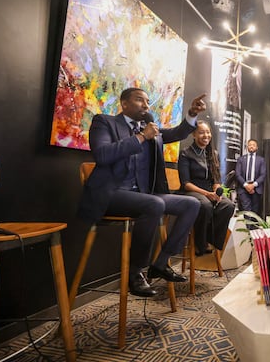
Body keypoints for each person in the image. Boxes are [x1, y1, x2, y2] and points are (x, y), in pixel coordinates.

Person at [77, 88, 206, 297]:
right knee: (154, 205)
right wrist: (140, 138)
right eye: (139, 100)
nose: (146, 106)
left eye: (147, 101)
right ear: (124, 104)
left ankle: (161, 263)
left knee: (192, 204)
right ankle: (136, 272)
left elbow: (176, 133)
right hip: (111, 194)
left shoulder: (150, 130)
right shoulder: (105, 122)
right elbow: (102, 155)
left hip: (143, 194)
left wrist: (192, 114)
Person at [178, 121, 234, 256]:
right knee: (206, 205)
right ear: (194, 134)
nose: (206, 135)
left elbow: (216, 179)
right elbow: (186, 183)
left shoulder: (213, 153)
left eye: (208, 132)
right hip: (192, 191)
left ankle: (210, 240)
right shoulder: (185, 153)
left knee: (228, 205)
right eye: (201, 132)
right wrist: (207, 193)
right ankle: (200, 243)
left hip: (209, 191)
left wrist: (216, 192)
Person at [236, 139, 266, 218]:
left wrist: (253, 185)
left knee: (255, 211)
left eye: (254, 145)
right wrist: (246, 185)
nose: (251, 146)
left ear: (257, 148)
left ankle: (253, 229)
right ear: (247, 147)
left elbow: (263, 175)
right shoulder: (241, 159)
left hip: (256, 188)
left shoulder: (261, 160)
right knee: (247, 209)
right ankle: (247, 229)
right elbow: (238, 174)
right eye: (250, 145)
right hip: (243, 188)